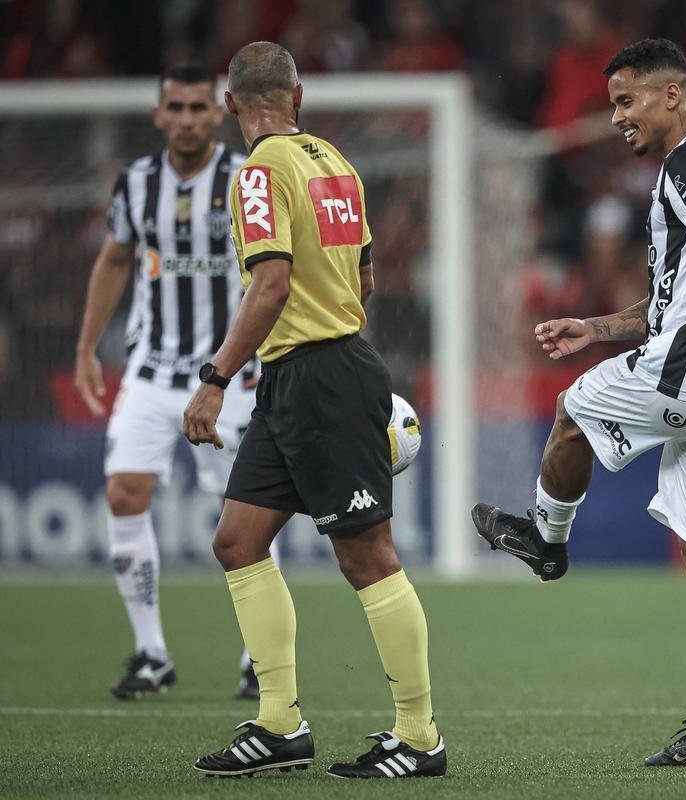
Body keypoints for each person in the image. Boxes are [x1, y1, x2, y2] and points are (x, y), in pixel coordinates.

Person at [472, 38, 686, 768]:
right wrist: (597, 327)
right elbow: (682, 293)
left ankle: (547, 541)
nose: (616, 117)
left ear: (672, 94)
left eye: (626, 100)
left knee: (571, 412)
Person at [183, 42, 445, 779]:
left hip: (319, 375)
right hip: (305, 373)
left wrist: (215, 378)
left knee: (366, 555)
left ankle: (420, 737)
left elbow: (269, 284)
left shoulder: (258, 172)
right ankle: (280, 725)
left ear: (230, 105)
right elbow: (366, 279)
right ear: (297, 97)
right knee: (237, 541)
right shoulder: (335, 163)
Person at [73, 64, 268, 702]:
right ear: (158, 115)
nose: (186, 119)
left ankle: (258, 657)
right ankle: (152, 653)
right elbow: (115, 259)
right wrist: (86, 346)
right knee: (124, 493)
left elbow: (275, 273)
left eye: (197, 107)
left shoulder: (246, 180)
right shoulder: (136, 182)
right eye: (175, 108)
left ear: (219, 112)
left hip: (230, 375)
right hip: (152, 370)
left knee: (247, 516)